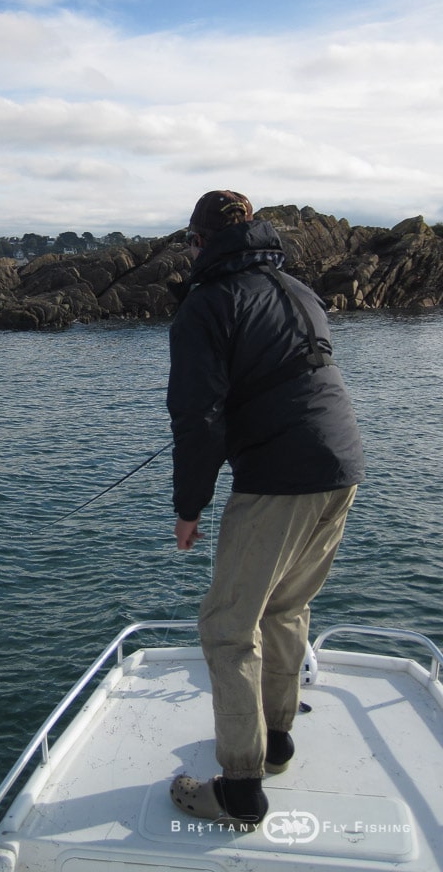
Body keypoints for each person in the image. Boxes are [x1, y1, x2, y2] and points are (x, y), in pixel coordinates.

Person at [166, 190, 364, 828]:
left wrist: (189, 506)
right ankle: (277, 742)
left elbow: (198, 419)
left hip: (279, 478)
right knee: (285, 609)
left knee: (227, 626)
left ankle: (240, 789)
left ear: (199, 241)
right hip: (343, 467)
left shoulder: (206, 304)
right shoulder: (298, 289)